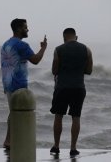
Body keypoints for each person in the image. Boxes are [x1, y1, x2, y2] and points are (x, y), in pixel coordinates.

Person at [1, 18, 47, 150]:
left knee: (13, 113)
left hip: (8, 83)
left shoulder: (6, 44)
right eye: (25, 27)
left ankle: (9, 140)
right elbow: (36, 60)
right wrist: (43, 48)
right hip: (18, 84)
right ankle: (11, 141)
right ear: (18, 29)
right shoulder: (22, 45)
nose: (28, 29)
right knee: (17, 113)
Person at [49, 28, 93, 157]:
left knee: (58, 116)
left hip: (62, 87)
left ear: (64, 37)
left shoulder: (58, 49)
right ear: (76, 37)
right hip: (79, 87)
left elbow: (54, 70)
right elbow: (89, 71)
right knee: (76, 117)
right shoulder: (87, 50)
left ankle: (56, 146)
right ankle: (73, 148)